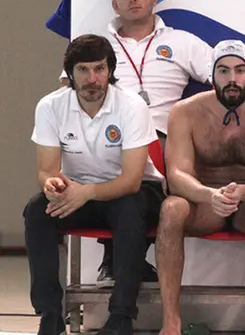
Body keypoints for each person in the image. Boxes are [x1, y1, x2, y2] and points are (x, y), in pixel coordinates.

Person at [62, 0, 245, 288]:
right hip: (106, 137)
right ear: (114, 3)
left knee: (151, 154)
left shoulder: (180, 42)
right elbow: (69, 94)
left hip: (158, 140)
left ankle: (122, 260)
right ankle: (120, 259)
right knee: (103, 146)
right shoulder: (96, 46)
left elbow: (238, 73)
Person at [154, 40, 245, 335]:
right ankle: (170, 322)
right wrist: (210, 195)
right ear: (211, 74)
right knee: (171, 208)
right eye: (223, 70)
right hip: (205, 202)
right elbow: (177, 174)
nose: (232, 79)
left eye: (239, 70)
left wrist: (242, 193)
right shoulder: (185, 112)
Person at [25, 34, 164, 335]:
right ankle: (50, 314)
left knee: (129, 208)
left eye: (99, 69)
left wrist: (84, 193)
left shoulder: (131, 106)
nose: (92, 79)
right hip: (79, 191)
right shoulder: (50, 106)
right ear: (70, 74)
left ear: (110, 71)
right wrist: (52, 187)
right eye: (83, 70)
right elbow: (46, 170)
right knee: (37, 209)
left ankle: (121, 317)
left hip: (136, 192)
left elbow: (131, 180)